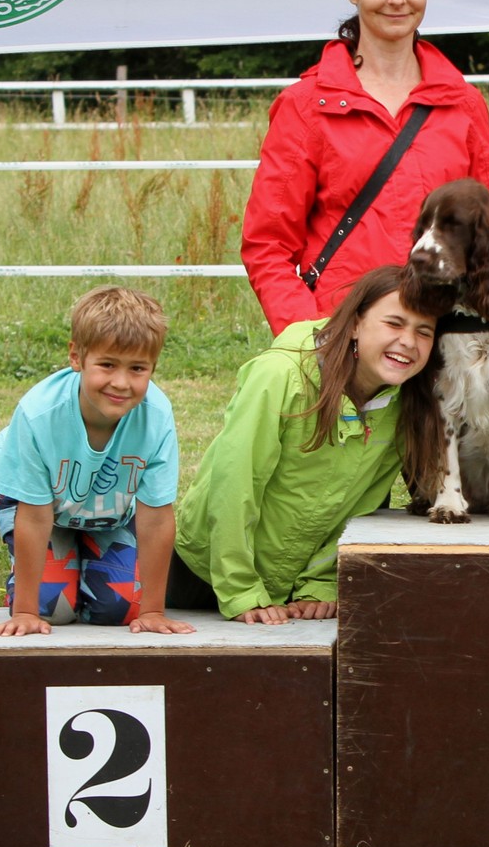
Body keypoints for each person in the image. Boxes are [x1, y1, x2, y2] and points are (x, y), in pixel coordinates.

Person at [242, 0, 489, 335]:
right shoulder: (306, 105)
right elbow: (267, 245)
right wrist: (310, 335)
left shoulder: (463, 103)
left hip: (441, 337)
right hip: (345, 332)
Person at [169, 265, 442, 622]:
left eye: (424, 332)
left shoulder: (402, 404)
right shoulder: (280, 375)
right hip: (204, 573)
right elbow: (236, 483)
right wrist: (241, 590)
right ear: (356, 323)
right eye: (394, 323)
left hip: (289, 593)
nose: (408, 341)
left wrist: (320, 582)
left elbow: (362, 504)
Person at [0, 286, 191, 637]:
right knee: (52, 610)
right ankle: (50, 567)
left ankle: (89, 554)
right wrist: (25, 612)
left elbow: (155, 518)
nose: (121, 383)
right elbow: (34, 518)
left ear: (153, 367)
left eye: (137, 368)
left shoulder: (156, 416)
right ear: (77, 357)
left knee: (121, 609)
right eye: (107, 364)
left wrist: (153, 611)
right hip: (40, 506)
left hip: (107, 507)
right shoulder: (38, 415)